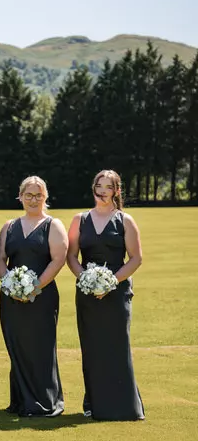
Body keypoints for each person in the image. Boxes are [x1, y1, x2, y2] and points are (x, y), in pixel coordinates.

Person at [67, 170, 145, 421]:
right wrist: (85, 279)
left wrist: (112, 281)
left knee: (117, 346)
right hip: (88, 294)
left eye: (108, 187)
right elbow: (71, 257)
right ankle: (93, 404)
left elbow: (136, 258)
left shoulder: (125, 220)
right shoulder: (80, 219)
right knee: (91, 348)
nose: (102, 191)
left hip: (117, 292)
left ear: (116, 191)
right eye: (98, 186)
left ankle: (123, 406)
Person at [0, 176, 69, 417]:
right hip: (12, 298)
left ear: (45, 197)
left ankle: (43, 401)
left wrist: (34, 287)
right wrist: (10, 286)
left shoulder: (53, 225)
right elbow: (0, 260)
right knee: (17, 346)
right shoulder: (9, 226)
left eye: (38, 195)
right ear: (20, 197)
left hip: (42, 297)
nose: (33, 199)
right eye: (28, 195)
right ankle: (20, 401)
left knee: (40, 346)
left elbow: (58, 259)